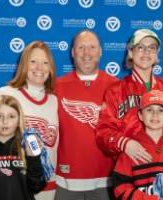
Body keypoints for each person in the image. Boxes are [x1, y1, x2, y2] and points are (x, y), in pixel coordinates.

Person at [96, 29, 163, 164]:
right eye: (140, 47)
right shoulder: (116, 91)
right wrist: (124, 143)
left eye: (152, 47)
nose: (146, 52)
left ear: (157, 55)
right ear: (130, 52)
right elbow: (103, 131)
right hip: (132, 170)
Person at [55, 30, 118, 200]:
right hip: (65, 181)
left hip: (107, 182)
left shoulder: (117, 87)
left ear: (100, 51)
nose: (86, 53)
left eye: (92, 47)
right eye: (81, 47)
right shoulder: (56, 87)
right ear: (73, 52)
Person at [0, 41, 59, 200]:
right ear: (24, 65)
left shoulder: (54, 101)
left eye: (45, 63)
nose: (39, 68)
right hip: (13, 186)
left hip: (48, 187)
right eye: (33, 61)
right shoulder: (6, 94)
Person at [112, 90, 163, 200]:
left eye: (161, 110)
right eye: (149, 109)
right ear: (140, 115)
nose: (155, 114)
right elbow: (120, 188)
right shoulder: (131, 149)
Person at [0, 95, 46, 200]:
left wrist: (33, 158)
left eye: (11, 116)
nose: (5, 121)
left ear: (19, 119)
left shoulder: (29, 145)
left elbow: (37, 187)